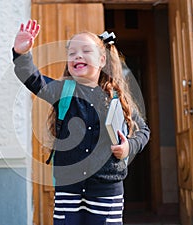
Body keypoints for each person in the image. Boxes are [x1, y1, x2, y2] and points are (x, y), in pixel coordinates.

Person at [12, 19, 150, 225]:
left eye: (86, 51)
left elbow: (143, 131)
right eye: (72, 53)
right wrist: (21, 54)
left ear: (102, 60)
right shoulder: (61, 92)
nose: (78, 55)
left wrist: (129, 146)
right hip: (69, 187)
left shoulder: (116, 98)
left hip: (106, 189)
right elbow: (32, 78)